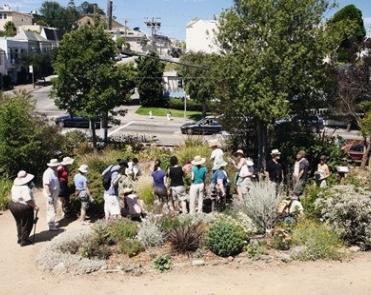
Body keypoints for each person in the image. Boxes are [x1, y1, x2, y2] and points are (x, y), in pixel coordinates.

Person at [9, 171, 38, 246]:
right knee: (27, 223)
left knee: (19, 222)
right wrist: (35, 206)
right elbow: (28, 200)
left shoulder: (14, 185)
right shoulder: (25, 187)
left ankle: (20, 238)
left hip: (13, 204)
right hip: (22, 207)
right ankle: (24, 240)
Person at [43, 159, 60, 231]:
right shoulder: (48, 173)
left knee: (54, 208)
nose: (57, 166)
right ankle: (51, 226)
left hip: (54, 193)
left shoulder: (53, 171)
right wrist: (49, 195)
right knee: (51, 209)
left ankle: (52, 223)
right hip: (50, 193)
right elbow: (46, 185)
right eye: (56, 165)